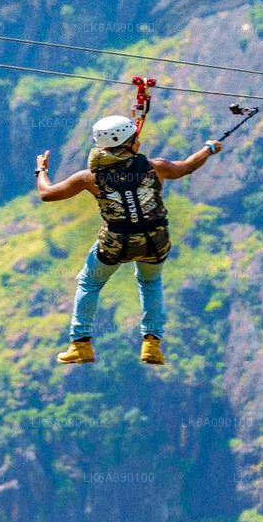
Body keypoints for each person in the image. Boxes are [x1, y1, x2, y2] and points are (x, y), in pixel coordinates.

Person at [35, 115, 222, 365]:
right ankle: (152, 344)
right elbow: (186, 166)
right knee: (150, 282)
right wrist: (208, 149)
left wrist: (42, 169)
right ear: (131, 141)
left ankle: (81, 344)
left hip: (116, 243)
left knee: (89, 283)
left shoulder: (89, 178)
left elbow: (47, 194)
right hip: (155, 240)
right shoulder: (156, 167)